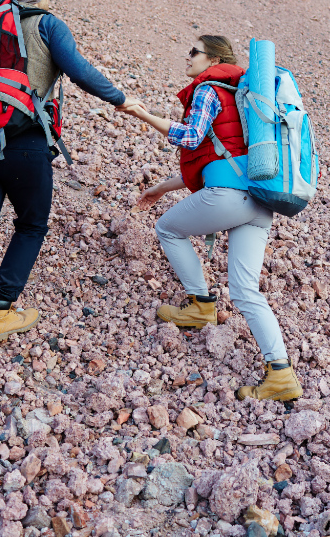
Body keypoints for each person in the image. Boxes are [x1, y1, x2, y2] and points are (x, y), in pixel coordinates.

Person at [0, 0, 143, 388]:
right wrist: (122, 100)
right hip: (25, 146)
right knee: (31, 224)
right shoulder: (46, 23)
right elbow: (79, 70)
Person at [118, 36, 303, 401]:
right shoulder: (244, 98)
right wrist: (161, 188)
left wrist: (142, 114)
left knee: (167, 229)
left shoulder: (208, 89)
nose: (188, 57)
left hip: (229, 197)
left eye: (195, 52)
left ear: (214, 59)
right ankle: (281, 374)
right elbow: (222, 160)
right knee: (246, 291)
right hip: (259, 201)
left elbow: (190, 138)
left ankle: (201, 306)